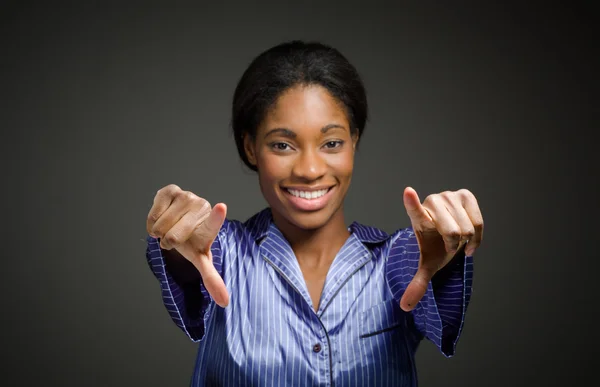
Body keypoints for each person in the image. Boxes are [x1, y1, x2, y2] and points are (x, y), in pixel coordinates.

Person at [145, 40, 483, 387]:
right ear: (250, 147)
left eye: (332, 143)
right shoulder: (225, 253)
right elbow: (193, 259)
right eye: (282, 145)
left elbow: (422, 261)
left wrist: (446, 242)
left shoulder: (393, 259)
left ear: (354, 141)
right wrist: (177, 237)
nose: (309, 169)